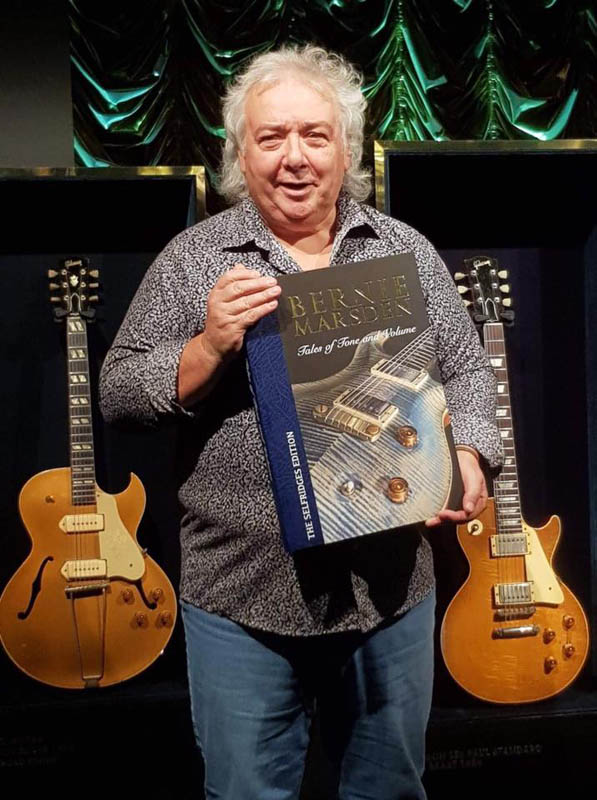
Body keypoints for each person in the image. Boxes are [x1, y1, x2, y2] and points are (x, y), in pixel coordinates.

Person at [100, 45, 502, 800]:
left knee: (389, 790)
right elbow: (118, 394)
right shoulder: (194, 260)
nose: (294, 158)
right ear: (239, 154)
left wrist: (471, 453)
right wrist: (207, 347)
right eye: (271, 137)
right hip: (243, 596)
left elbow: (468, 372)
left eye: (315, 136)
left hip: (390, 592)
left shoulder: (403, 251)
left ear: (345, 149)